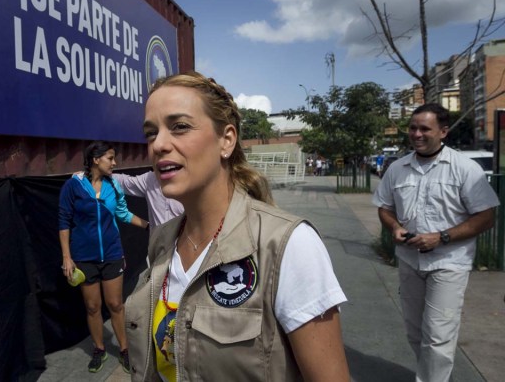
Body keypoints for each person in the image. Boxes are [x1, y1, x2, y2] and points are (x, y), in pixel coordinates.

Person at [125, 72, 349, 381]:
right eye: (151, 133)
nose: (159, 144)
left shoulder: (287, 244)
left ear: (226, 140)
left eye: (179, 127)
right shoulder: (162, 240)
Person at [372, 103, 499, 382]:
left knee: (438, 334)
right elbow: (384, 206)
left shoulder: (465, 169)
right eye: (413, 128)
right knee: (415, 331)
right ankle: (434, 376)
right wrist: (394, 227)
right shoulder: (398, 168)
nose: (416, 134)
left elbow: (487, 216)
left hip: (449, 263)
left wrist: (441, 237)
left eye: (424, 128)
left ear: (443, 132)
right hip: (409, 260)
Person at [58, 140, 150, 374]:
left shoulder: (114, 185)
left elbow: (123, 213)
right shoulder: (74, 186)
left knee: (116, 304)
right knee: (92, 307)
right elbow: (64, 221)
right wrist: (67, 257)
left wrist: (149, 225)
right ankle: (99, 349)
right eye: (110, 158)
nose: (115, 163)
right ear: (96, 159)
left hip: (112, 255)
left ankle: (125, 349)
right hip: (84, 258)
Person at [112, 171, 184, 233]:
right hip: (157, 247)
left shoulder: (190, 185)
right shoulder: (150, 179)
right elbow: (124, 183)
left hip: (183, 246)